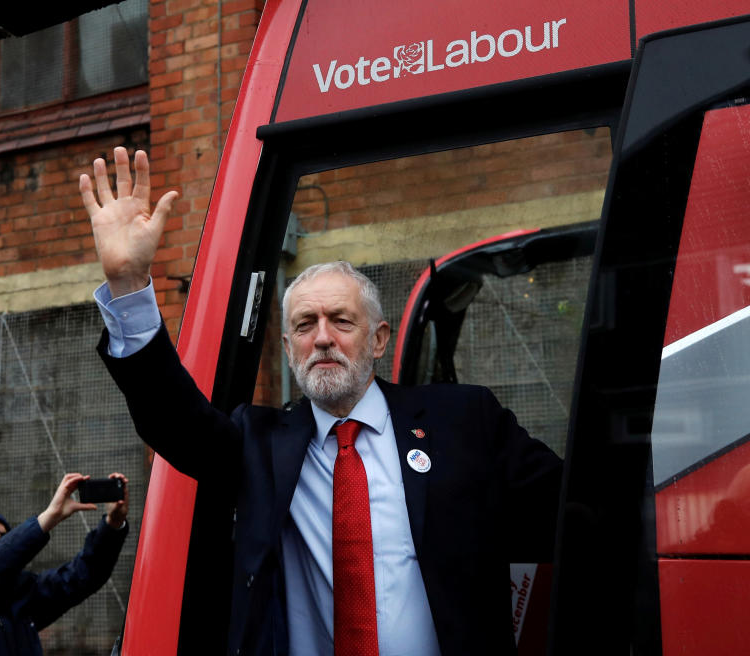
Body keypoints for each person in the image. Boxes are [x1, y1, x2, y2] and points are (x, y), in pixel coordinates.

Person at [80, 148, 563, 655]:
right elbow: (174, 420)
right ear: (289, 350)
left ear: (378, 340)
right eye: (305, 326)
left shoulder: (464, 421)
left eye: (342, 320)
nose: (324, 338)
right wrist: (129, 284)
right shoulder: (259, 442)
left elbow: (572, 512)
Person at [0, 472, 129, 656]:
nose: (2, 544)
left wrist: (113, 525)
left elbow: (81, 576)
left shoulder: (18, 598)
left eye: (6, 537)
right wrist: (46, 519)